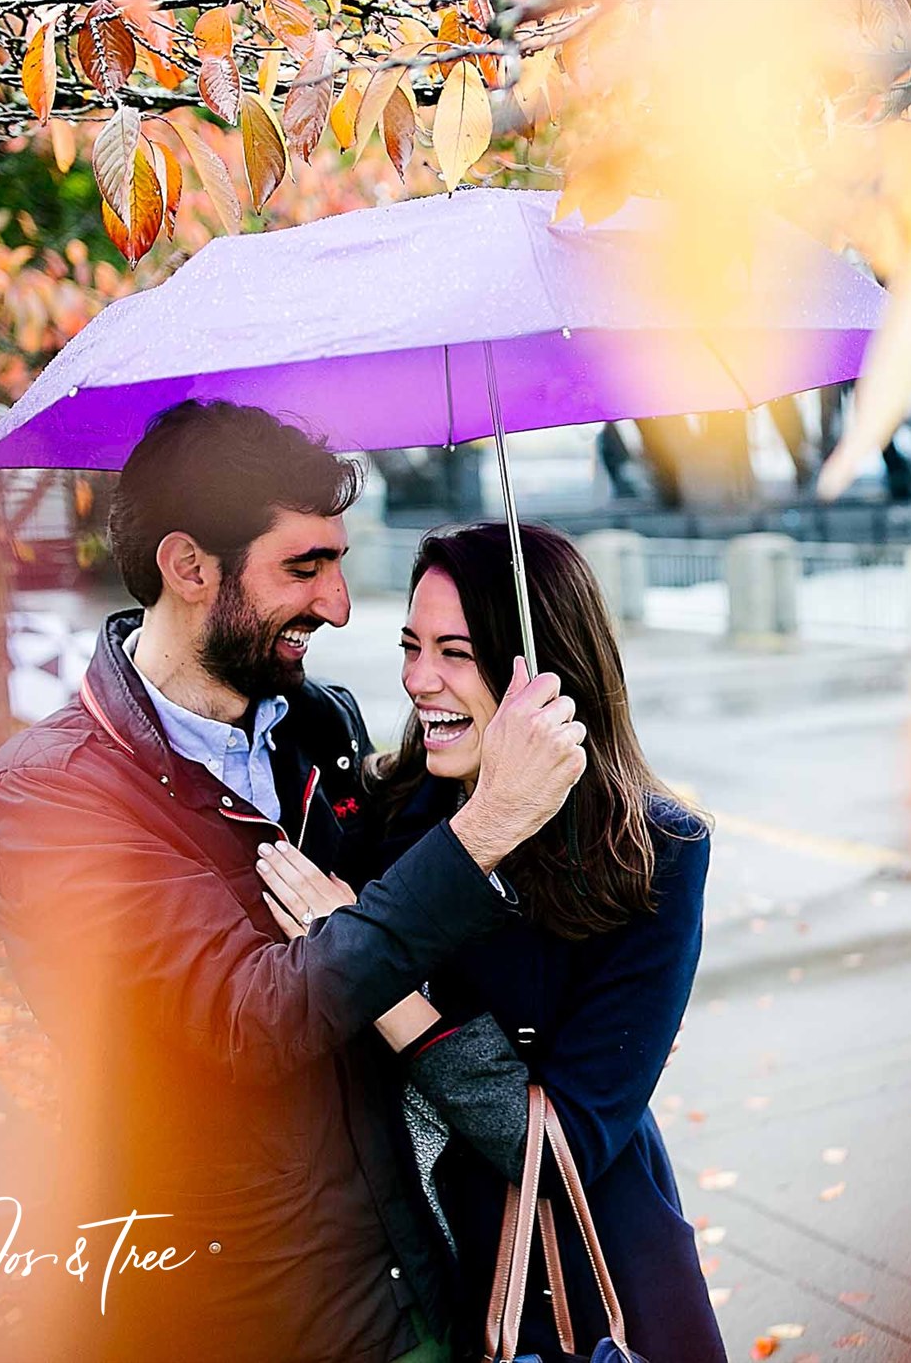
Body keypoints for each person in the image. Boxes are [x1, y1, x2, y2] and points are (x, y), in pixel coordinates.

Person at [0, 401, 588, 1363]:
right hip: (243, 1312)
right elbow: (242, 1021)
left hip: (413, 1285)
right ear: (190, 568)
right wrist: (484, 830)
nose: (340, 606)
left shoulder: (322, 731)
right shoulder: (52, 801)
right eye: (304, 568)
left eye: (339, 564)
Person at [258, 522, 726, 1362]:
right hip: (421, 1279)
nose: (417, 680)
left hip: (584, 1285)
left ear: (541, 673)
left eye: (455, 653)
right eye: (410, 646)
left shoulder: (653, 856)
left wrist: (381, 981)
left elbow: (562, 1148)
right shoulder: (387, 811)